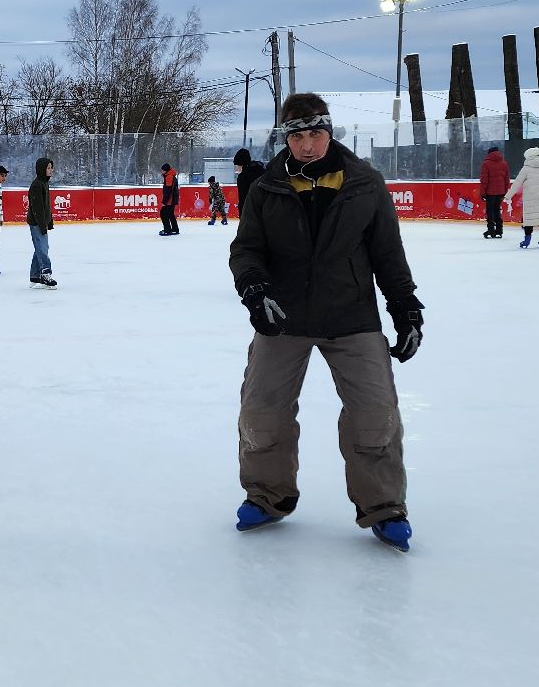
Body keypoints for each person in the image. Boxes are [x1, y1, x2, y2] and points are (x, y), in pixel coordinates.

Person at [228, 93, 421, 553]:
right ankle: (266, 496)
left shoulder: (364, 183)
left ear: (329, 132)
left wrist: (405, 309)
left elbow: (388, 253)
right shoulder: (267, 187)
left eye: (315, 134)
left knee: (375, 413)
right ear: (286, 139)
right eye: (297, 137)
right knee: (262, 411)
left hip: (351, 315)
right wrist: (254, 288)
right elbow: (247, 249)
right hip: (283, 318)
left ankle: (384, 506)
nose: (307, 145)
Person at [504, 146, 539, 248]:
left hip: (530, 198)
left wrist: (508, 196)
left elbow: (517, 183)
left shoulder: (526, 169)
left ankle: (527, 240)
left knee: (529, 219)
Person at [26, 156, 57, 288]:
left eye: (51, 167)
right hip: (36, 223)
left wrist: (49, 220)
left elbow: (46, 205)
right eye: (48, 168)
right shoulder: (36, 185)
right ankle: (45, 273)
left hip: (42, 222)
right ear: (41, 169)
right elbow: (37, 208)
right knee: (42, 248)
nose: (51, 170)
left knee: (41, 247)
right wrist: (43, 225)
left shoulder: (44, 183)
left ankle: (35, 275)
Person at [478, 146, 510, 238]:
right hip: (500, 192)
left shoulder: (486, 164)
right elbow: (506, 179)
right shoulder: (504, 163)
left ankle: (491, 229)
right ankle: (499, 230)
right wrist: (505, 191)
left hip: (490, 192)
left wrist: (483, 193)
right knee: (497, 210)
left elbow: (484, 180)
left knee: (490, 211)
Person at [158, 163, 180, 236]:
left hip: (170, 199)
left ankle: (167, 230)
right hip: (172, 199)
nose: (161, 171)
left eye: (162, 170)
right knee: (170, 214)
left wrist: (164, 201)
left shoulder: (169, 177)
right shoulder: (170, 176)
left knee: (163, 213)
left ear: (165, 170)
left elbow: (168, 190)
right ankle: (174, 229)